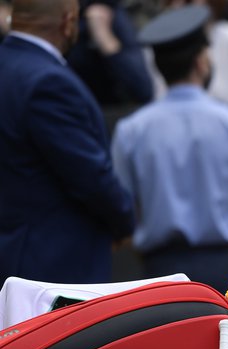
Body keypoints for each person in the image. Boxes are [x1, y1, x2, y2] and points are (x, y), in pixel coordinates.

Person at [111, 4, 228, 293]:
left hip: (156, 272)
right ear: (202, 61)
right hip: (223, 268)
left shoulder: (132, 129)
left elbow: (123, 210)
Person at [0, 0, 135, 287]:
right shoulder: (47, 81)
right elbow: (88, 174)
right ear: (68, 21)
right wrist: (123, 220)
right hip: (52, 269)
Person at [66, 0, 154, 106]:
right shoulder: (60, 19)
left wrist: (105, 39)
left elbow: (143, 89)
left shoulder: (111, 14)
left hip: (112, 109)